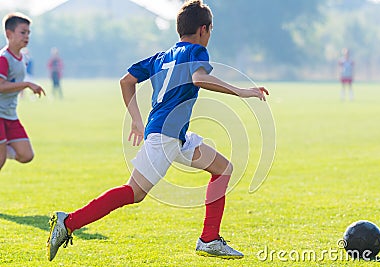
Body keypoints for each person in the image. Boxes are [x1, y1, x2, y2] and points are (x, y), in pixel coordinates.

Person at [46, 0, 268, 261]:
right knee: (134, 192)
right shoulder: (197, 50)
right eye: (210, 31)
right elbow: (199, 78)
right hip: (165, 136)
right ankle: (68, 222)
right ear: (203, 30)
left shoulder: (161, 57)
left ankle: (209, 239)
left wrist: (137, 121)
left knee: (222, 169)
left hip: (176, 136)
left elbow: (126, 80)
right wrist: (242, 91)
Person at [0, 13, 45, 171]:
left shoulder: (23, 58)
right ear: (8, 34)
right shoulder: (4, 58)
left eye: (28, 33)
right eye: (22, 32)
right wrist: (26, 84)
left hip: (10, 114)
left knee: (26, 155)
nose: (27, 36)